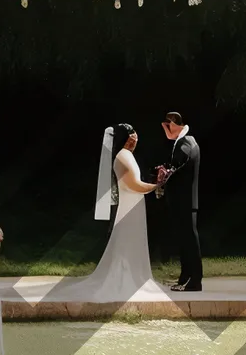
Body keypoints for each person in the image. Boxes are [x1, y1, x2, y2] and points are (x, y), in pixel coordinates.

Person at [48, 123, 167, 302]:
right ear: (127, 137)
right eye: (132, 133)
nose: (136, 136)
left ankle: (136, 276)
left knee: (134, 240)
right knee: (127, 241)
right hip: (130, 208)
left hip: (134, 206)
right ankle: (127, 278)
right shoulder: (122, 157)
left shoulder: (127, 155)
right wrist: (157, 186)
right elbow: (133, 184)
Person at [159, 111, 202, 292]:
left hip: (184, 202)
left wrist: (166, 174)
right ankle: (185, 277)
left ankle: (195, 281)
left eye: (167, 126)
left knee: (189, 242)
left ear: (174, 124)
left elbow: (180, 165)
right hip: (184, 202)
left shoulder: (186, 143)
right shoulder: (185, 142)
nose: (165, 130)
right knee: (185, 241)